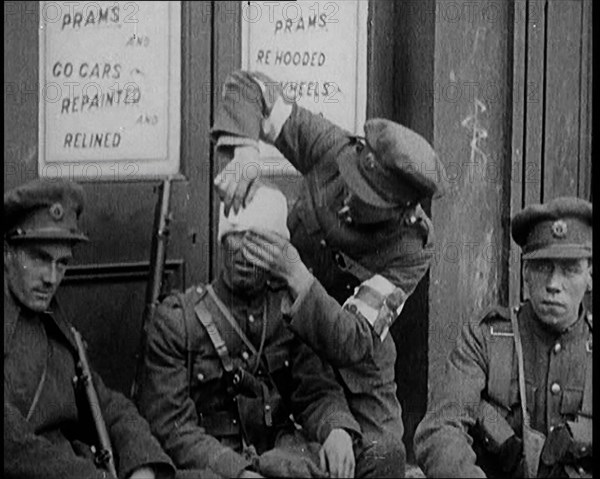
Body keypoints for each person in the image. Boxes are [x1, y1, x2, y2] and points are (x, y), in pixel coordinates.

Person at [211, 69, 446, 476]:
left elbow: (355, 339)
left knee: (381, 458)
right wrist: (247, 150)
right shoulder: (331, 146)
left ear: (403, 211)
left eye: (367, 201)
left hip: (357, 369)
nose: (348, 201)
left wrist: (297, 275)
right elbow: (250, 87)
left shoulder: (412, 247)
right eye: (352, 182)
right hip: (286, 341)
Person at [137, 184, 401, 478]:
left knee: (380, 454)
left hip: (280, 456)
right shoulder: (178, 320)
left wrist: (336, 428)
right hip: (213, 466)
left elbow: (316, 391)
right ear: (223, 241)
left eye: (260, 241)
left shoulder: (288, 311)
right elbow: (173, 429)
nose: (246, 252)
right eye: (237, 236)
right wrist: (238, 472)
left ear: (278, 251)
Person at [4, 179, 176, 479]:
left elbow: (106, 403)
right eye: (40, 258)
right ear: (7, 253)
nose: (52, 278)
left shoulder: (53, 321)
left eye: (62, 263)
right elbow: (13, 448)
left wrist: (143, 463)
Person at [414, 196, 593, 478]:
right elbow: (440, 429)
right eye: (542, 267)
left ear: (590, 275)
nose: (553, 284)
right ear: (525, 272)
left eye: (570, 269)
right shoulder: (485, 338)